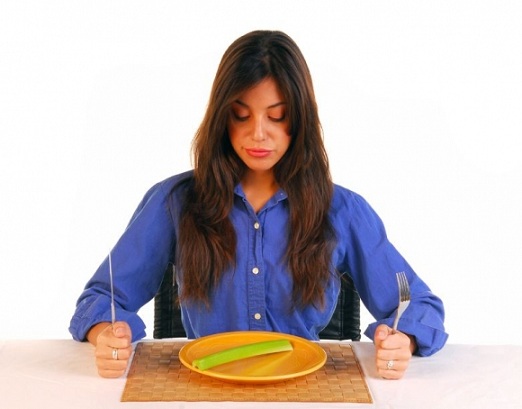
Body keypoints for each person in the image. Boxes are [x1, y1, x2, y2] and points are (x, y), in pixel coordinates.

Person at [69, 30, 448, 380]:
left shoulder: (343, 210)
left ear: (300, 119)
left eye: (277, 116)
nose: (258, 133)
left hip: (306, 390)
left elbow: (419, 306)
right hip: (204, 390)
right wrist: (108, 334)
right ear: (222, 117)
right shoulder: (175, 202)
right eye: (241, 115)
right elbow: (102, 298)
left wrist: (403, 340)